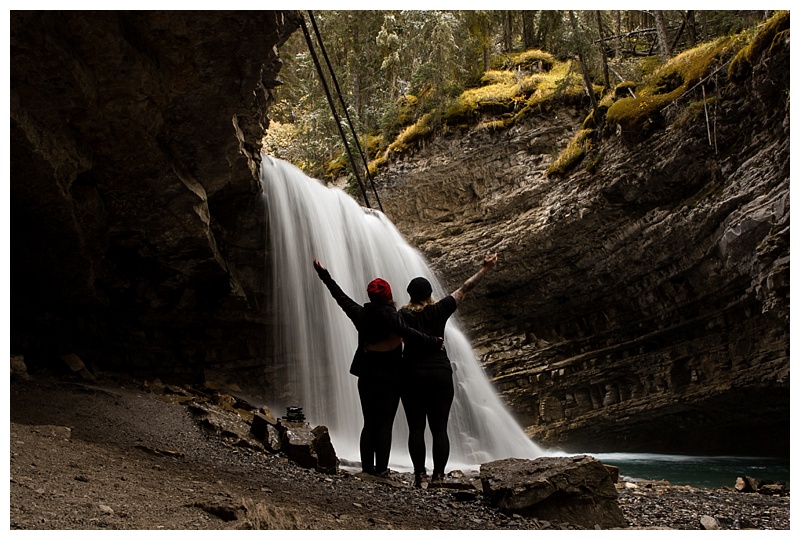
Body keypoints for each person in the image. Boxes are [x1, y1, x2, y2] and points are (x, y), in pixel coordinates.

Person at [312, 259, 442, 477]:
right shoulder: (395, 316)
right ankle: (381, 469)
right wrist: (434, 342)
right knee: (385, 424)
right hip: (391, 377)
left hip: (366, 375)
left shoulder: (361, 314)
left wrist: (324, 275)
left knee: (369, 422)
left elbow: (340, 296)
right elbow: (410, 335)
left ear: (371, 296)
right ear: (389, 295)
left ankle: (367, 468)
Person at [399, 252, 498, 487]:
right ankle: (439, 476)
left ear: (410, 295)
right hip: (439, 374)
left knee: (416, 428)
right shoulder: (440, 309)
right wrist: (485, 269)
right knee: (439, 427)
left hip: (412, 374)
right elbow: (465, 289)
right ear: (429, 294)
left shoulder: (402, 315)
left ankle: (418, 475)